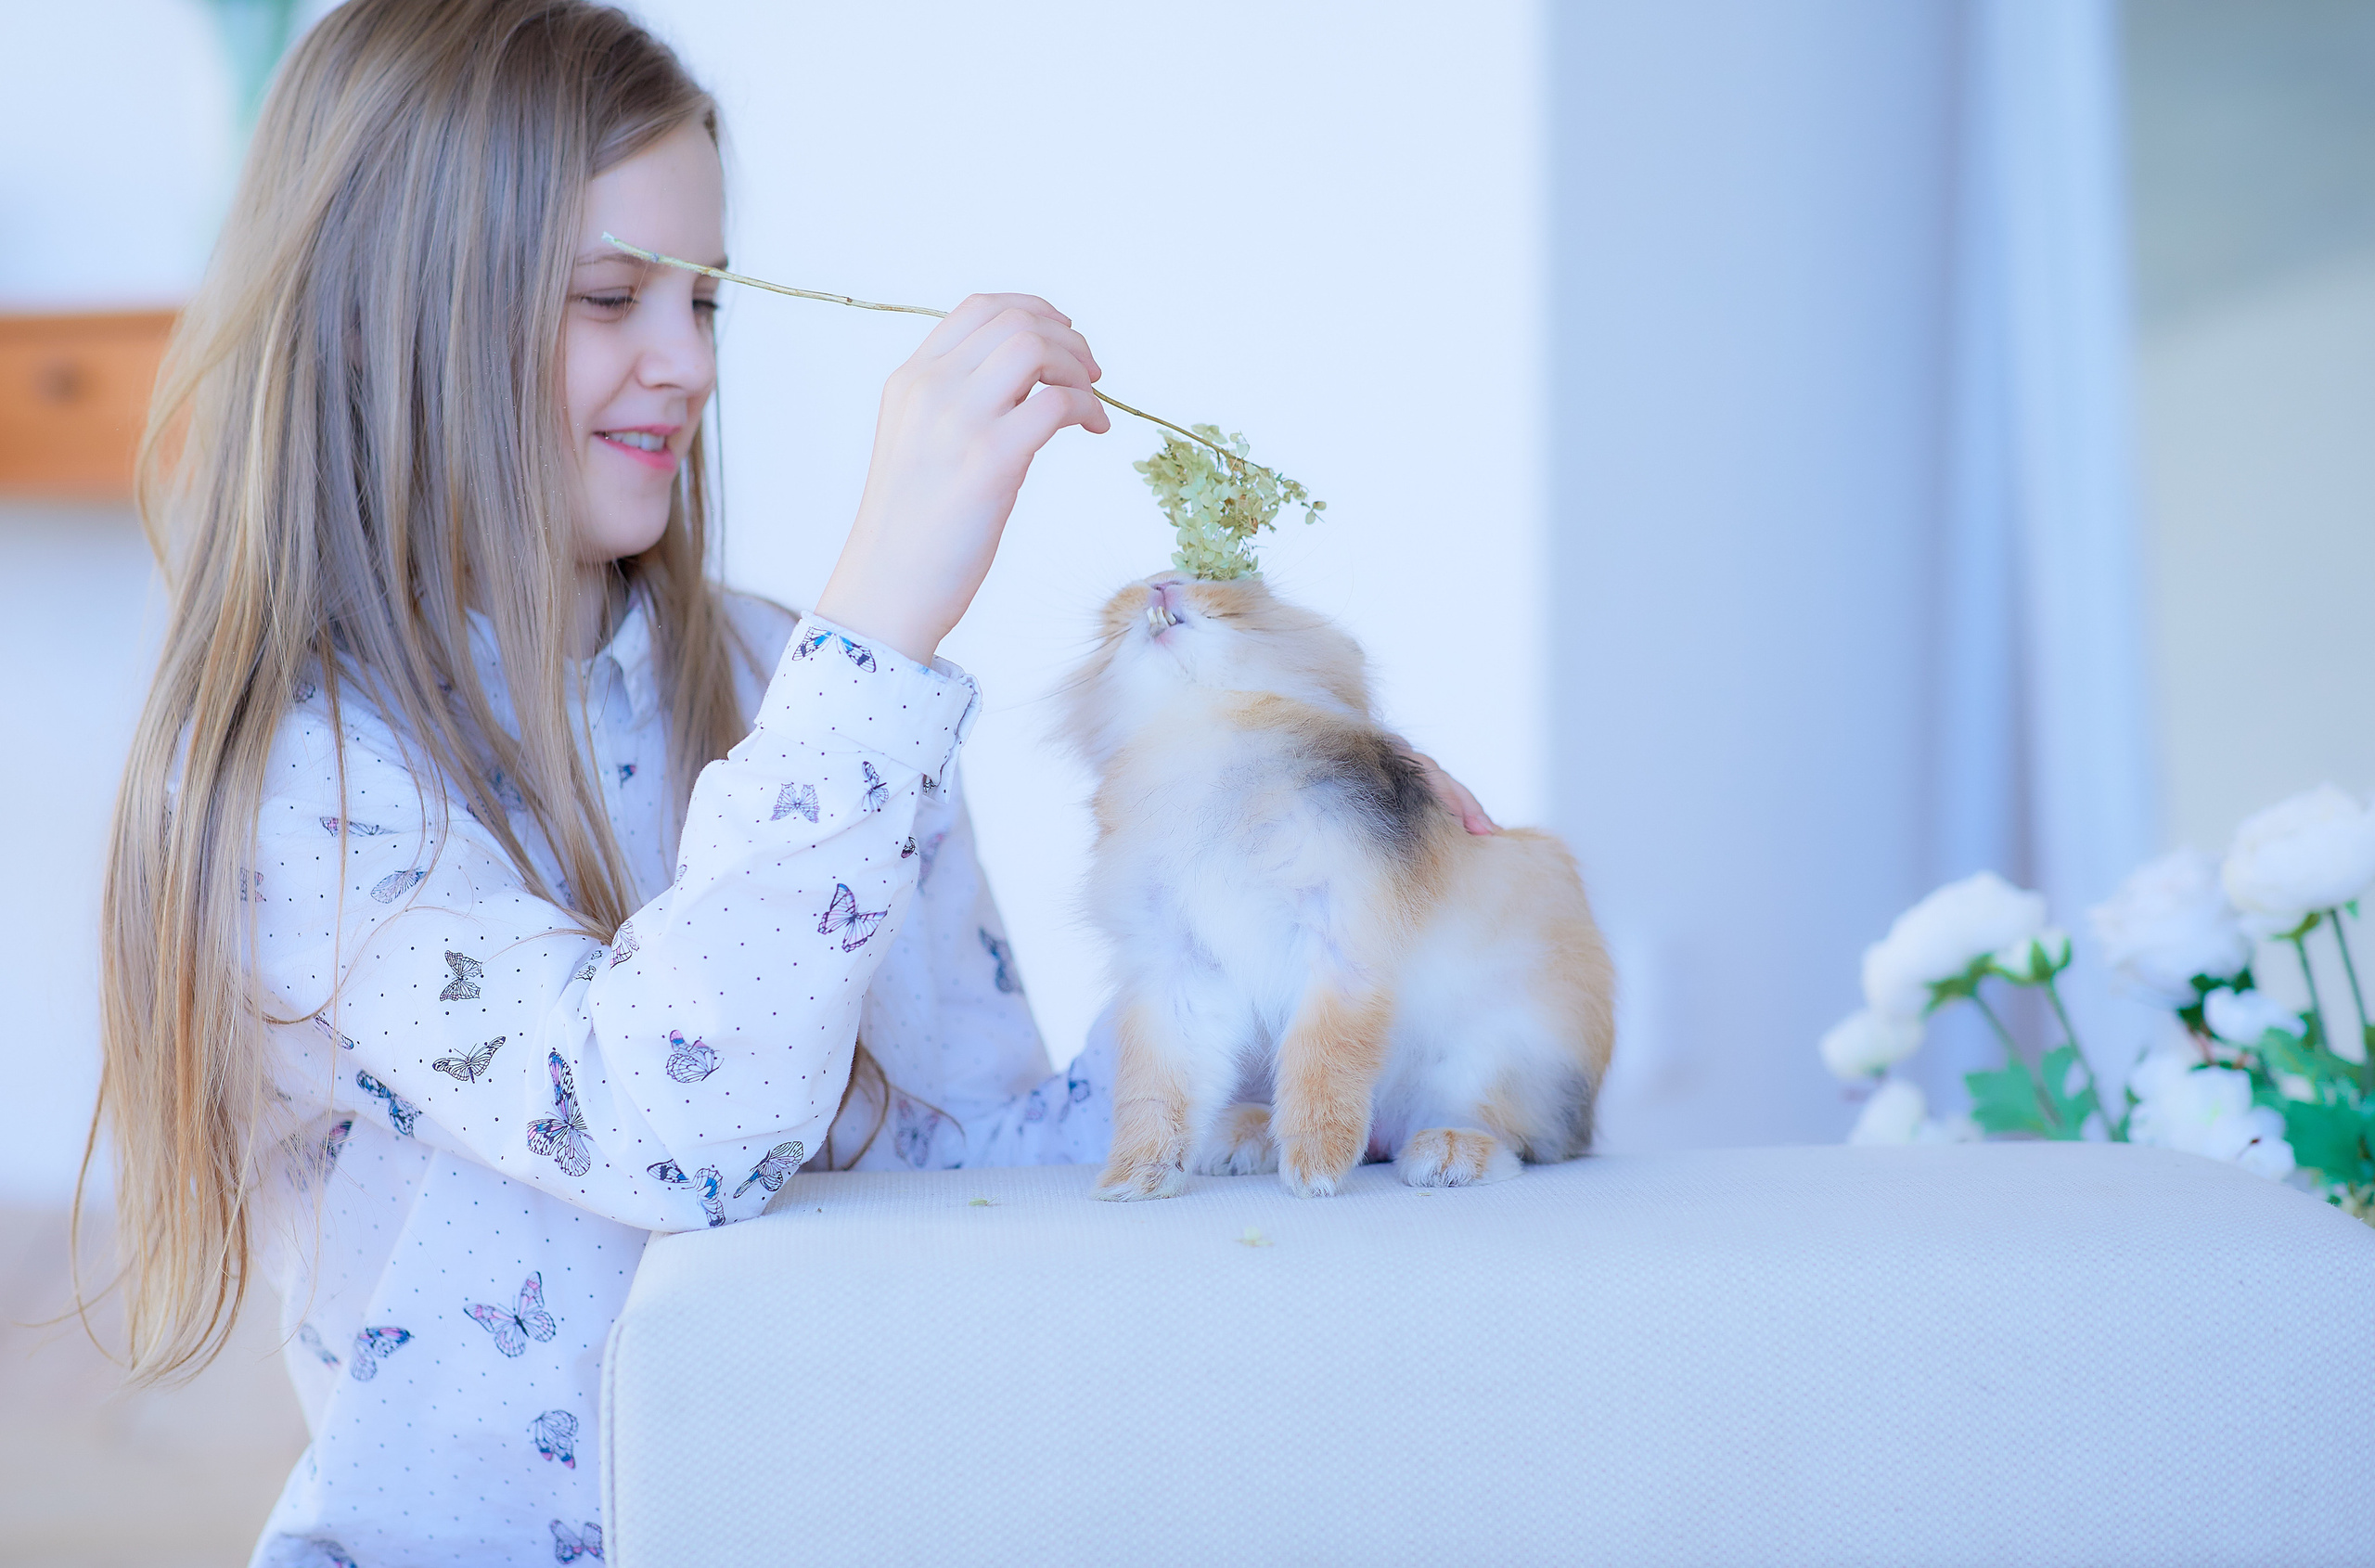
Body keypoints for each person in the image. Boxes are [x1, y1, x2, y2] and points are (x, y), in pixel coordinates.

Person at [89, 3, 1492, 1562]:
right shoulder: (299, 787)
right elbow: (664, 1123)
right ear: (374, 313)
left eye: (707, 300)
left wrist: (1290, 938)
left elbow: (972, 1163)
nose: (684, 365)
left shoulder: (792, 688)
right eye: (613, 296)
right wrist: (883, 612)